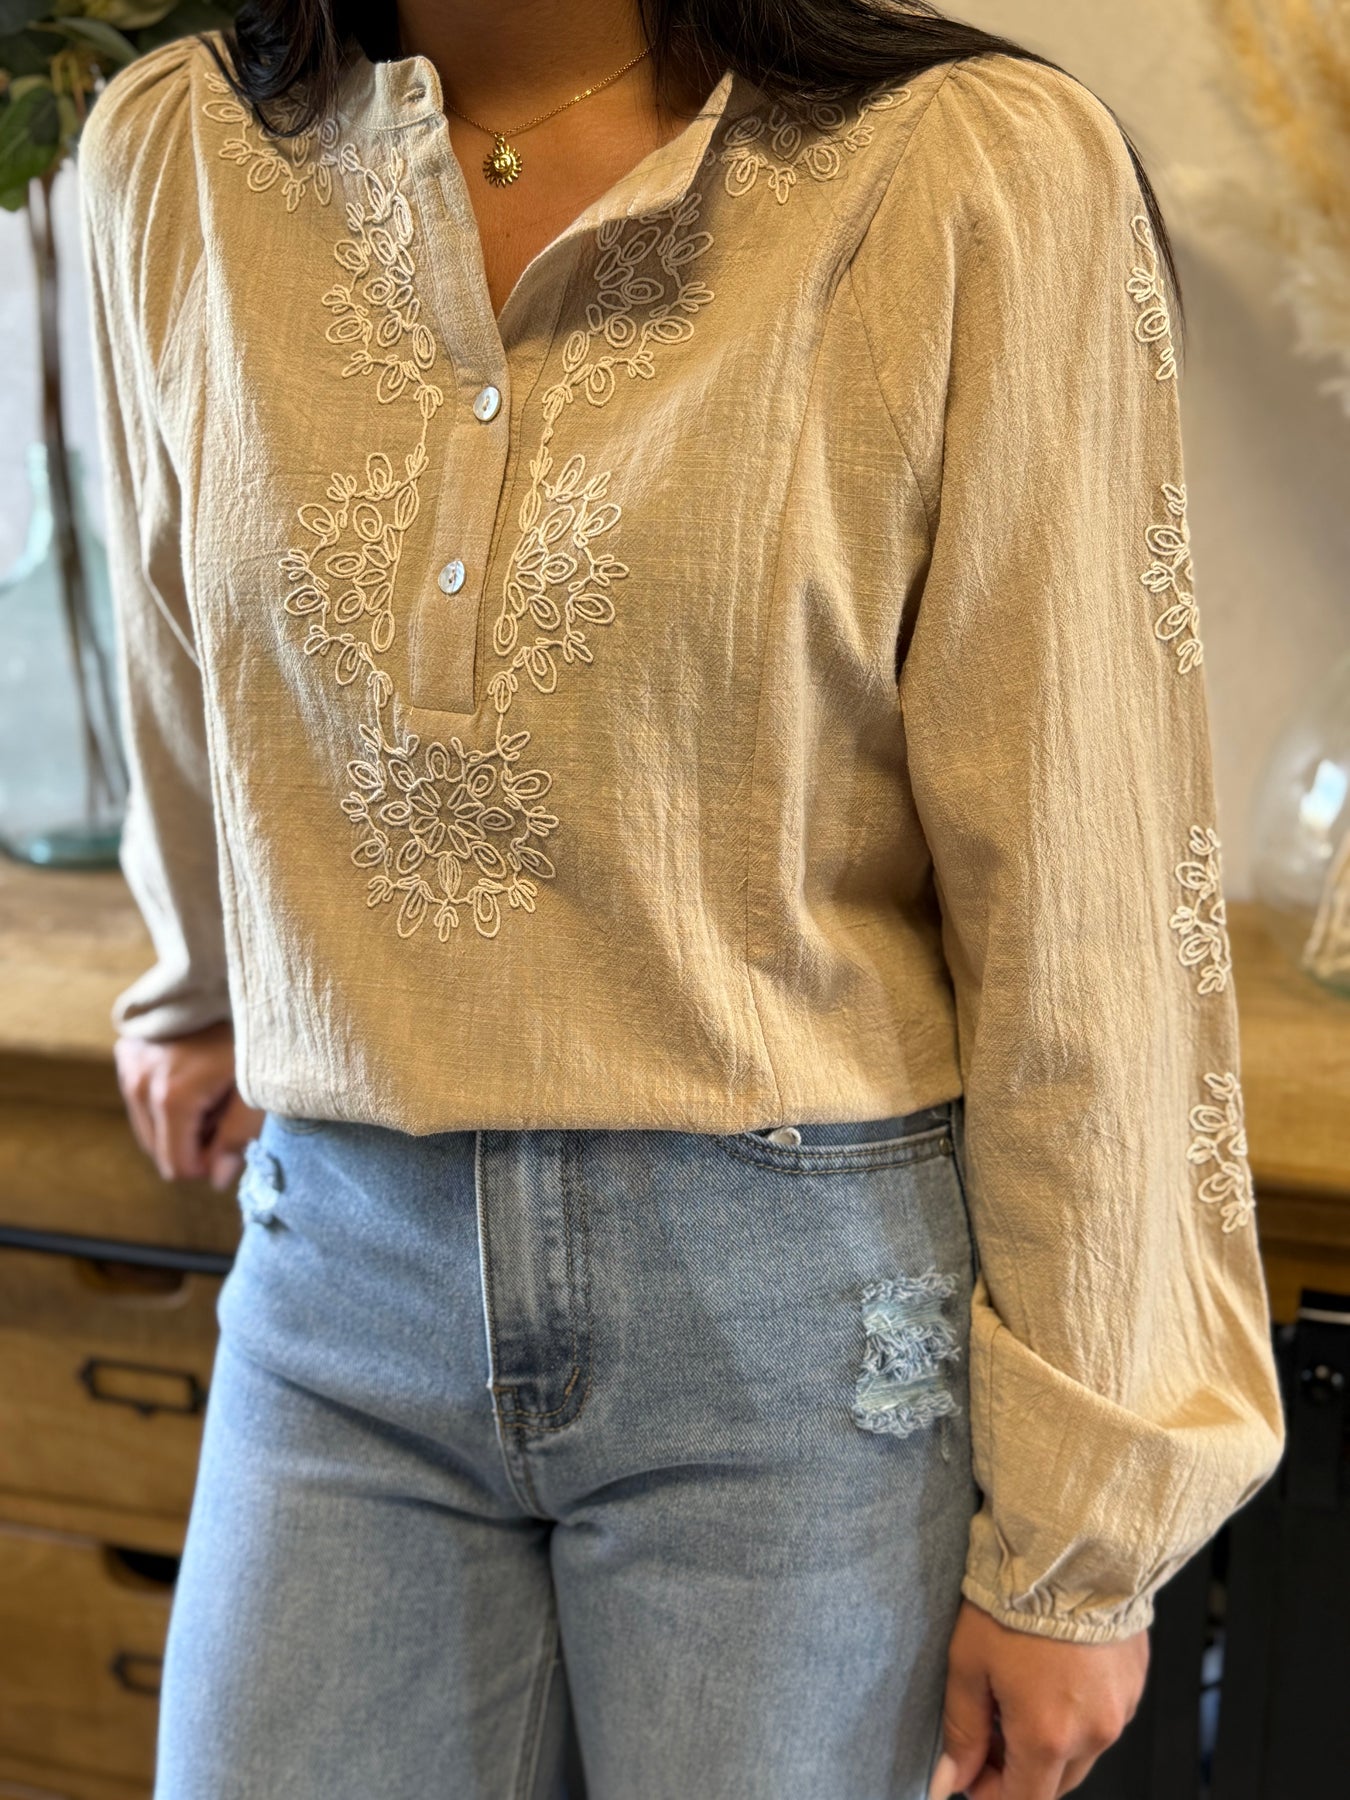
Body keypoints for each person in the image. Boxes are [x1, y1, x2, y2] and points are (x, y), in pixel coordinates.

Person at [78, 2, 1286, 1796]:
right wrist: (199, 988)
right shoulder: (176, 150)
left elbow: (1080, 873)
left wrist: (1079, 1544)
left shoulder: (968, 170)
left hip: (795, 1335)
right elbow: (181, 653)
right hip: (340, 1271)